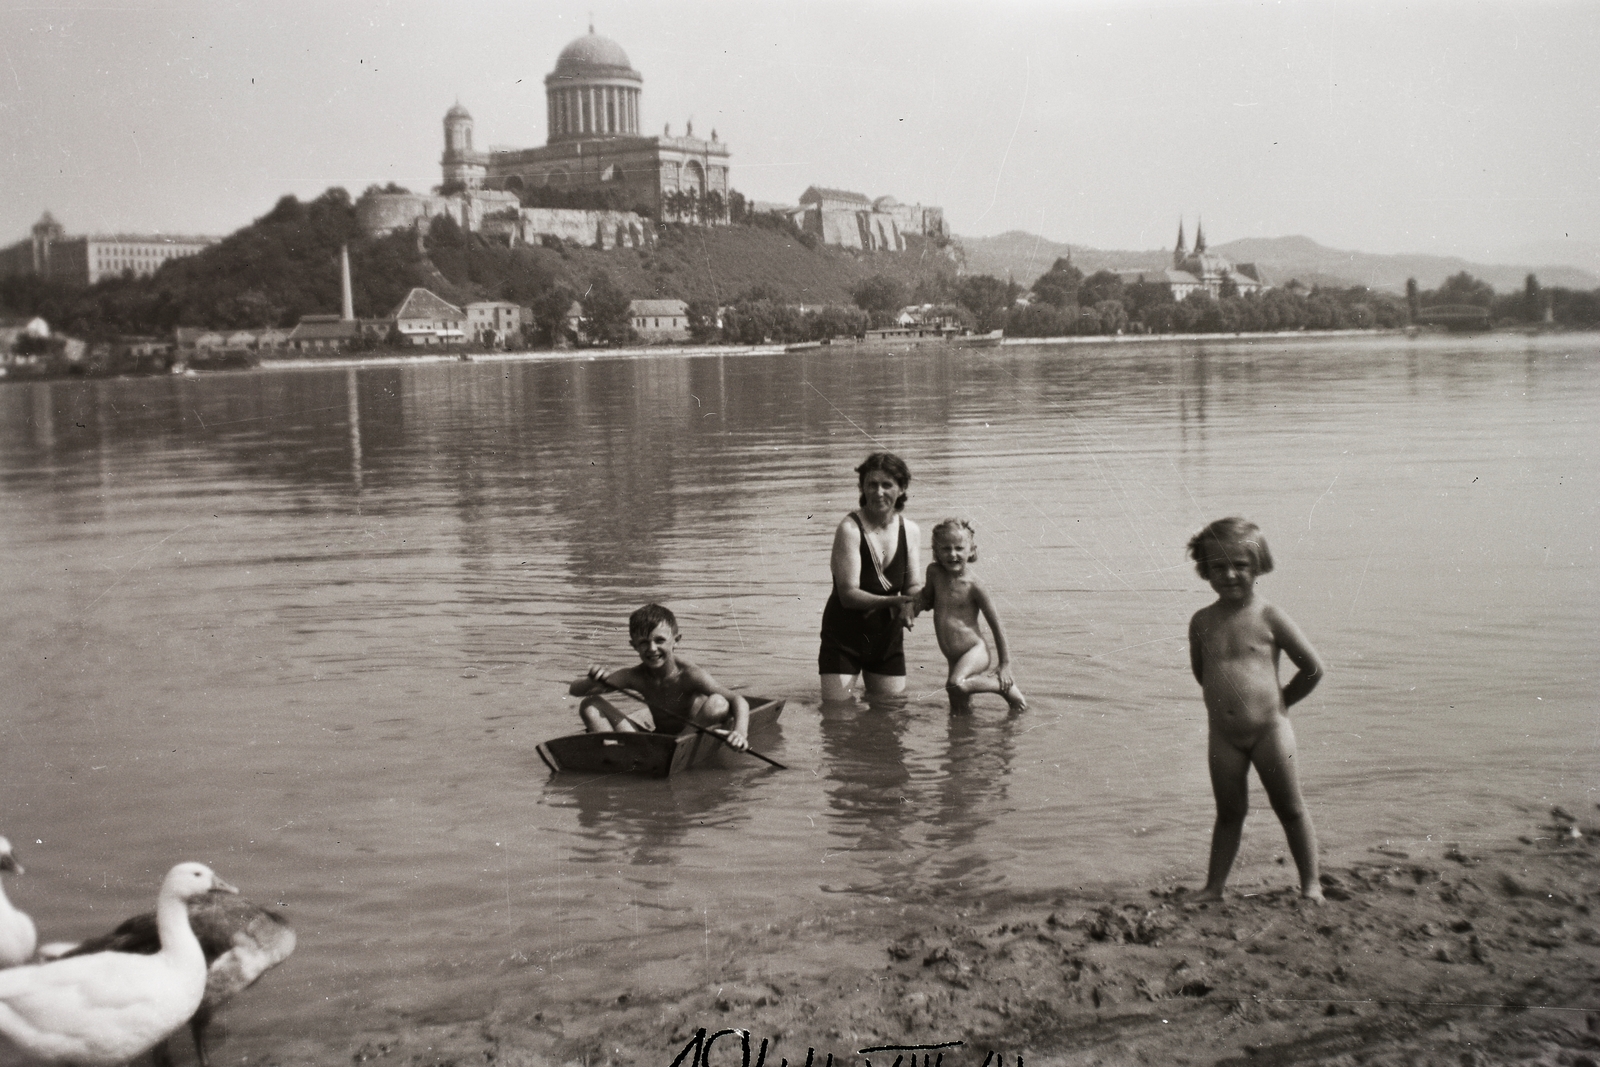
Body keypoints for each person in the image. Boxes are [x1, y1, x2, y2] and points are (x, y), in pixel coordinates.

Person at [1186, 517, 1326, 904]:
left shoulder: (1269, 617)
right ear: (1205, 569)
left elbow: (1313, 668)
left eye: (1240, 565)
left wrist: (1279, 705)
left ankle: (1311, 884)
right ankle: (1214, 887)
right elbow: (1204, 674)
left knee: (1291, 808)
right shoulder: (1201, 621)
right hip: (1223, 737)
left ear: (1259, 565)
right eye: (1218, 567)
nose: (1229, 574)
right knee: (1229, 813)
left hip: (1270, 732)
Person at [569, 603, 750, 751]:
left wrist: (740, 732)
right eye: (644, 643)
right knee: (590, 704)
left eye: (660, 641)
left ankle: (674, 747)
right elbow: (574, 691)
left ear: (676, 641)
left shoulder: (689, 674)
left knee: (718, 703)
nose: (652, 649)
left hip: (687, 738)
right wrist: (590, 681)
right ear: (634, 646)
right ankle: (614, 754)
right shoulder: (635, 676)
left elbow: (737, 700)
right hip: (658, 741)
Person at [818, 452, 922, 701]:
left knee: (891, 718)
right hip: (843, 638)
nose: (879, 492)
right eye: (872, 484)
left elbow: (912, 585)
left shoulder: (910, 530)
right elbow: (848, 595)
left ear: (902, 488)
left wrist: (914, 603)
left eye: (887, 485)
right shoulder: (849, 529)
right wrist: (896, 602)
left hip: (887, 637)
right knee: (837, 719)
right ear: (862, 487)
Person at [914, 519, 1027, 713]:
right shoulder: (934, 573)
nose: (953, 554)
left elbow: (996, 624)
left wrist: (1005, 664)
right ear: (936, 552)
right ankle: (963, 739)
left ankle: (1000, 687)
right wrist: (911, 608)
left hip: (975, 651)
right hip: (952, 656)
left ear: (972, 550)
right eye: (946, 549)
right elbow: (927, 599)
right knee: (958, 709)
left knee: (955, 684)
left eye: (959, 548)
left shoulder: (974, 585)